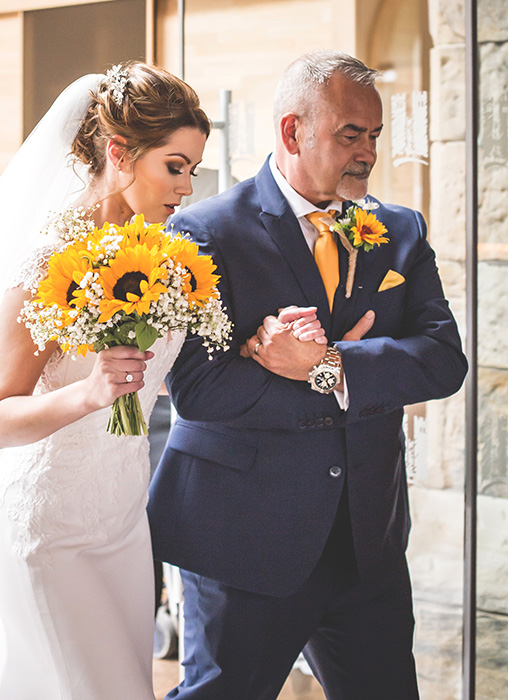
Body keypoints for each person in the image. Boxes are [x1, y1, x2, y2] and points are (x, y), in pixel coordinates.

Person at [0, 62, 319, 700]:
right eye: (174, 165)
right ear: (118, 153)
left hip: (125, 525)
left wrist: (260, 345)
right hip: (48, 527)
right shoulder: (48, 258)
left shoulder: (161, 255)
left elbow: (162, 373)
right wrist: (90, 392)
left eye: (191, 168)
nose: (187, 188)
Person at [148, 50, 467, 700]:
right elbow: (203, 392)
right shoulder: (204, 232)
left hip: (366, 548)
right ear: (292, 131)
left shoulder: (398, 231)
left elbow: (443, 359)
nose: (368, 153)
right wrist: (362, 379)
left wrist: (325, 363)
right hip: (245, 543)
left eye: (375, 135)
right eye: (351, 133)